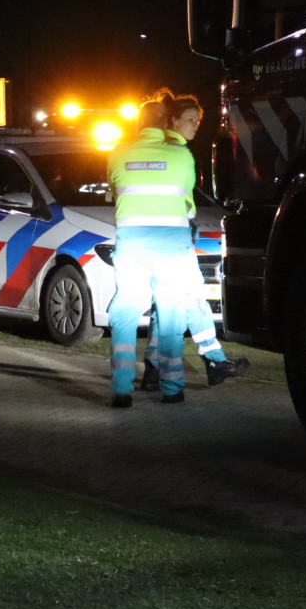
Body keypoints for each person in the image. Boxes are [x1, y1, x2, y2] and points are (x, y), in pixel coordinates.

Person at [138, 95, 250, 390]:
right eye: (191, 119)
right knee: (194, 301)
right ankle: (213, 360)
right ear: (173, 121)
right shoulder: (175, 151)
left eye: (199, 120)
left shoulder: (155, 149)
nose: (196, 126)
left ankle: (154, 365)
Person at [104, 93, 204, 407]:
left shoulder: (117, 154)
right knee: (171, 315)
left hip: (132, 245)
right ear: (166, 124)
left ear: (137, 125)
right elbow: (188, 202)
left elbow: (113, 192)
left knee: (125, 312)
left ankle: (122, 388)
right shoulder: (182, 157)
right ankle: (172, 389)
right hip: (171, 248)